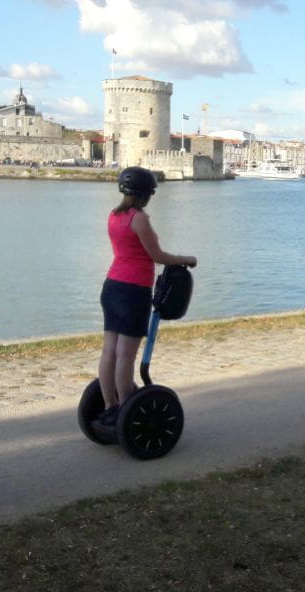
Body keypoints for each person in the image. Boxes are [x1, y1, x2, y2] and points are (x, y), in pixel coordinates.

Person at [95, 166, 196, 430]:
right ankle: (127, 411)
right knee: (126, 355)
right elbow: (157, 256)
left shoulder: (114, 216)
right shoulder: (139, 219)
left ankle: (110, 407)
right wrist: (187, 259)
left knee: (109, 351)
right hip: (133, 290)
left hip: (112, 286)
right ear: (147, 194)